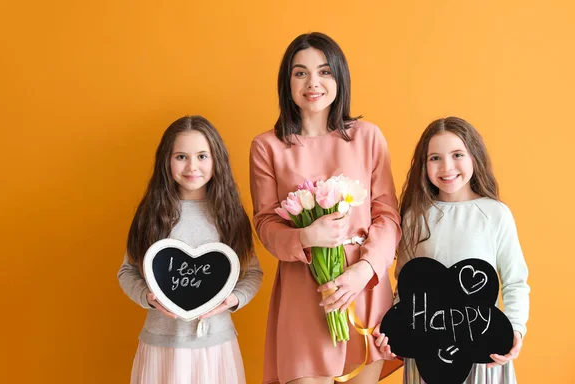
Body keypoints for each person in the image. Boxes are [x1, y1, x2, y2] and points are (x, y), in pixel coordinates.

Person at [249, 32, 401, 384]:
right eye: (300, 73)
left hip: (364, 287)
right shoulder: (266, 147)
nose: (313, 82)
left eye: (324, 72)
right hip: (304, 293)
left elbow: (388, 215)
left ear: (339, 77)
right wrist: (304, 235)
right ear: (287, 83)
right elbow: (266, 222)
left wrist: (365, 270)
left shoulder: (368, 137)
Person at [374, 116, 530, 383]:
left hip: (482, 351)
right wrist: (394, 332)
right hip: (427, 356)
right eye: (435, 158)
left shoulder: (495, 214)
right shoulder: (415, 217)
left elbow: (515, 282)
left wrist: (515, 329)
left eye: (457, 154)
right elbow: (407, 288)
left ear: (474, 157)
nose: (447, 167)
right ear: (424, 165)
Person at [118, 115, 263, 384]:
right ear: (166, 161)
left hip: (216, 346)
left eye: (202, 156)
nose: (192, 166)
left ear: (216, 159)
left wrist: (232, 300)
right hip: (162, 344)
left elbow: (253, 273)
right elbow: (127, 271)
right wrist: (148, 298)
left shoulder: (229, 215)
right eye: (181, 157)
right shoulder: (152, 214)